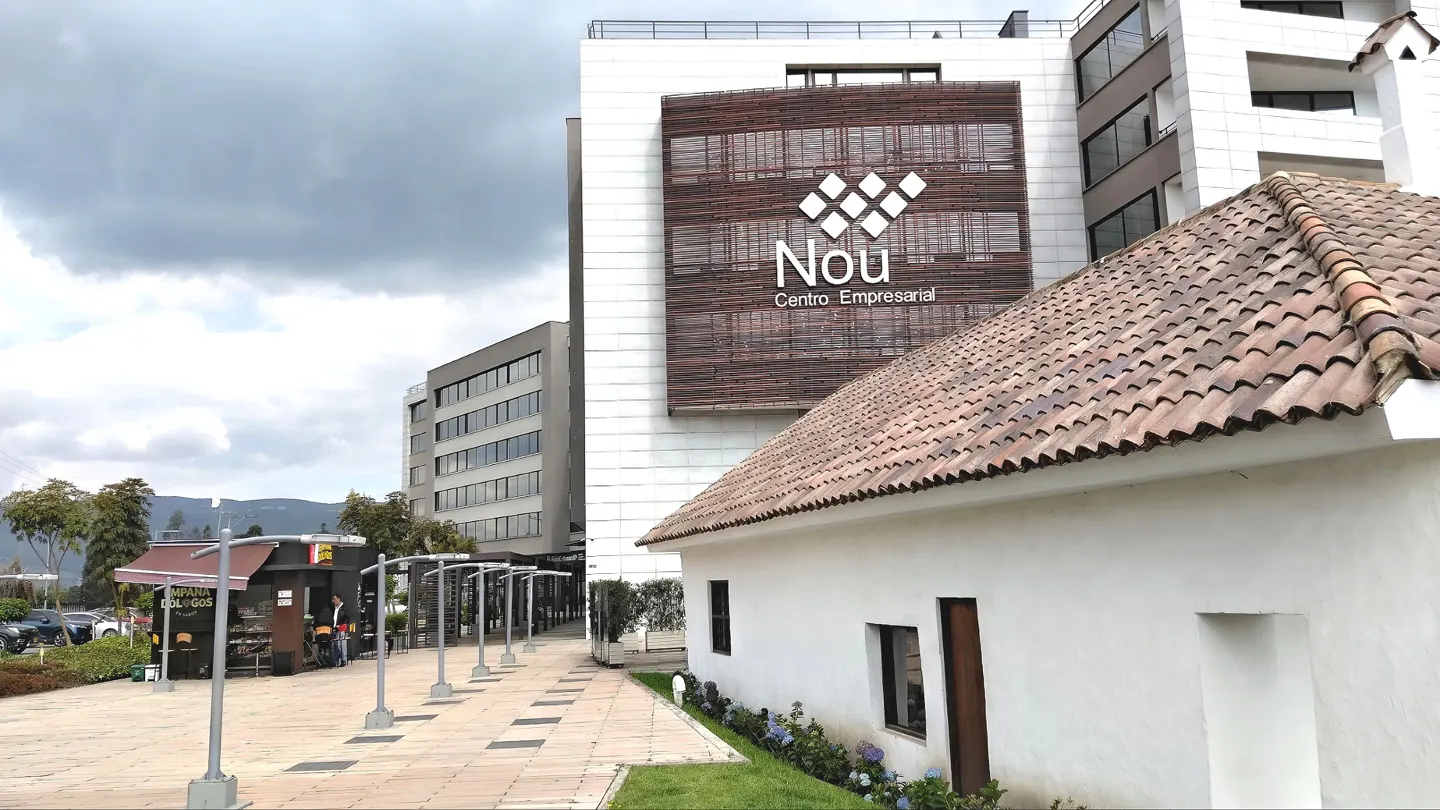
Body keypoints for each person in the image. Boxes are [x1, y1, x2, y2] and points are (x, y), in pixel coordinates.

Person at [330, 594, 350, 667]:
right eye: (333, 599)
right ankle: (335, 660)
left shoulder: (345, 608)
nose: (333, 601)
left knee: (340, 644)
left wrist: (341, 624)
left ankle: (343, 660)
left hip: (341, 627)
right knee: (334, 645)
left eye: (334, 599)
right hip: (334, 627)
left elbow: (347, 618)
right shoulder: (333, 608)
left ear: (338, 599)